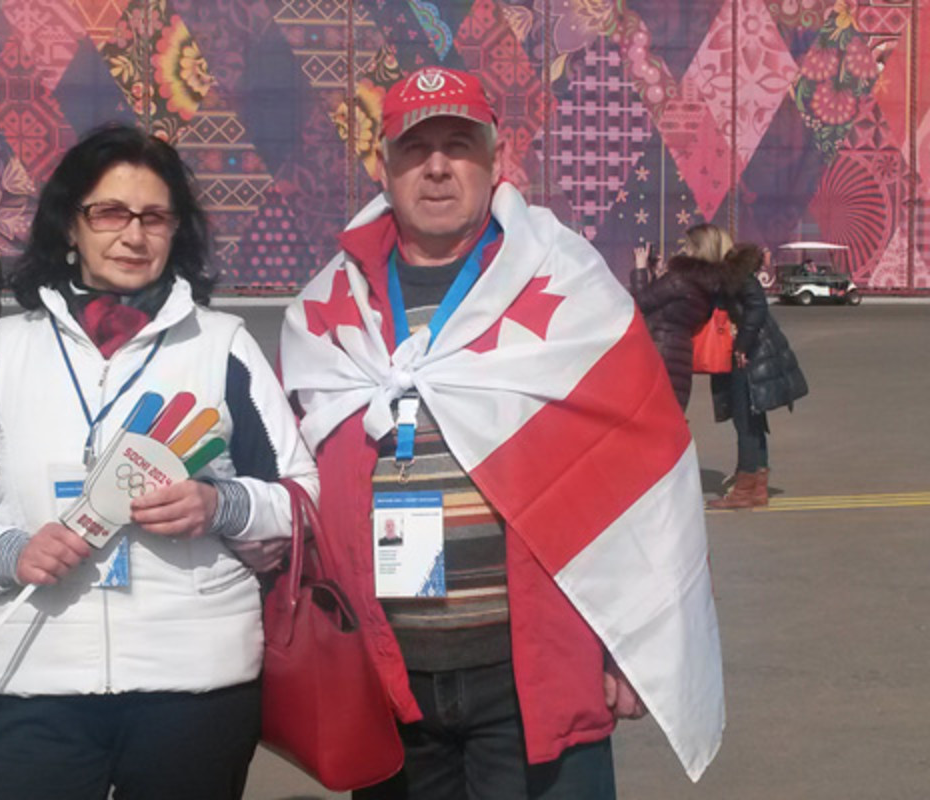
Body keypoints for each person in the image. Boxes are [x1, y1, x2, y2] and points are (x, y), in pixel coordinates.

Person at [281, 66, 723, 799]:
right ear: (384, 167)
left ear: (495, 161)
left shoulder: (566, 284)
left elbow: (645, 475)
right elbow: (289, 487)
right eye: (415, 148)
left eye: (459, 145)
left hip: (531, 674)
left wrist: (634, 640)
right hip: (388, 683)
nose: (437, 166)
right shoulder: (328, 310)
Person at [0, 124, 318, 800]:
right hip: (37, 678)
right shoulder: (5, 351)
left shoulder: (223, 346)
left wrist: (221, 505)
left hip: (193, 687)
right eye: (110, 213)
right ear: (72, 225)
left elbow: (302, 496)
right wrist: (9, 552)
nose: (134, 235)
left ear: (175, 231)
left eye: (155, 217)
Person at [698, 226, 808, 509]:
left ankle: (746, 489)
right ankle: (757, 483)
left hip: (746, 357)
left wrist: (743, 345)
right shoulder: (732, 273)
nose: (689, 251)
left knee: (745, 420)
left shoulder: (735, 275)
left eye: (692, 246)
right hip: (748, 353)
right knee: (752, 419)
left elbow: (758, 306)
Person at [628, 240, 720, 410]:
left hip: (660, 351)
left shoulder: (679, 280)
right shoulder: (704, 286)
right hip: (680, 354)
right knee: (669, 416)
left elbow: (641, 303)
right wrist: (657, 277)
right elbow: (664, 307)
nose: (684, 250)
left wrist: (640, 269)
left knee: (651, 417)